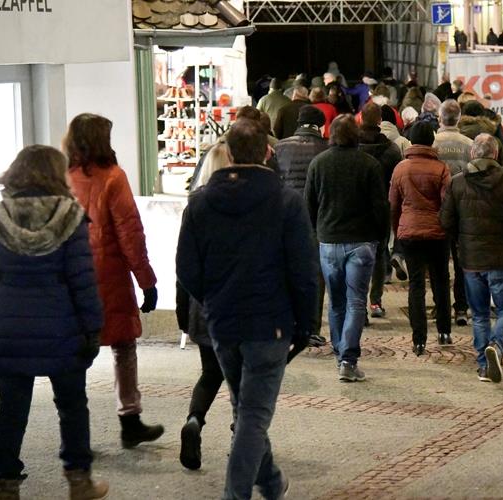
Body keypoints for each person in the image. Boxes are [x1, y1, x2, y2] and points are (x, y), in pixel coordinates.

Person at [176, 118, 318, 499]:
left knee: (246, 409)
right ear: (268, 153)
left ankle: (270, 481)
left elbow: (186, 269)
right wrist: (306, 325)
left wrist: (212, 299)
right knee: (253, 417)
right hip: (269, 323)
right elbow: (304, 269)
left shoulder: (201, 202)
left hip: (223, 323)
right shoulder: (286, 201)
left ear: (230, 153)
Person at [0, 145, 108, 500]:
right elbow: (82, 279)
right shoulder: (71, 216)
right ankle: (79, 481)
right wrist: (92, 327)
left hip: (9, 325)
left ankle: (6, 485)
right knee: (71, 405)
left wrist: (6, 302)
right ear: (56, 173)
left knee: (10, 409)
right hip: (61, 325)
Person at [65, 114, 164, 450]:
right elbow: (130, 234)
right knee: (123, 348)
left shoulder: (64, 178)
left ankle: (76, 434)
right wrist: (147, 281)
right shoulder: (114, 177)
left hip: (73, 277)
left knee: (77, 354)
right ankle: (130, 420)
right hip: (109, 275)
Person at [440, 133, 503, 383]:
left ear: (472, 154)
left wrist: (459, 242)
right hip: (500, 257)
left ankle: (483, 364)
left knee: (478, 314)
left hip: (471, 260)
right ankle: (497, 346)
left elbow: (445, 220)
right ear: (496, 155)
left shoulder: (457, 183)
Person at [305, 115, 387, 382]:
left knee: (336, 302)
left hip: (328, 242)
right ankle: (348, 360)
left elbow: (309, 204)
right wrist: (382, 239)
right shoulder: (369, 165)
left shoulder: (319, 163)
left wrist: (318, 232)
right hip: (361, 243)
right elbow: (380, 207)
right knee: (355, 302)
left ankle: (341, 352)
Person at [175, 141, 231, 471]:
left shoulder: (194, 206)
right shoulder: (245, 206)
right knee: (241, 376)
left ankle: (195, 419)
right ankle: (244, 438)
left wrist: (185, 311)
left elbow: (183, 266)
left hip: (202, 304)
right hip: (236, 305)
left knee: (210, 373)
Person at [390, 121, 452, 354]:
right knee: (441, 281)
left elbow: (394, 205)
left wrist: (398, 230)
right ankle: (444, 331)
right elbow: (447, 203)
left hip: (410, 232)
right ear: (431, 141)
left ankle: (419, 339)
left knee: (416, 284)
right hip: (437, 232)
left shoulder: (400, 169)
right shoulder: (441, 169)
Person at [275, 105, 330, 345]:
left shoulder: (280, 147)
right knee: (315, 275)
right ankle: (311, 327)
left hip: (284, 218)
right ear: (320, 126)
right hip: (316, 219)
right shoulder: (326, 149)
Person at [358, 103, 403, 320]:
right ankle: (375, 301)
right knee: (378, 253)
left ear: (360, 119)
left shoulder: (352, 147)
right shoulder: (392, 150)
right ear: (379, 122)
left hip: (356, 208)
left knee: (357, 256)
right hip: (382, 207)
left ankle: (358, 303)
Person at [433, 100, 473, 327]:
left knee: (439, 264)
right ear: (459, 118)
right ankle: (461, 308)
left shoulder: (433, 143)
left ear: (440, 118)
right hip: (462, 212)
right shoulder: (468, 144)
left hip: (437, 212)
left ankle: (441, 307)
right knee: (461, 264)